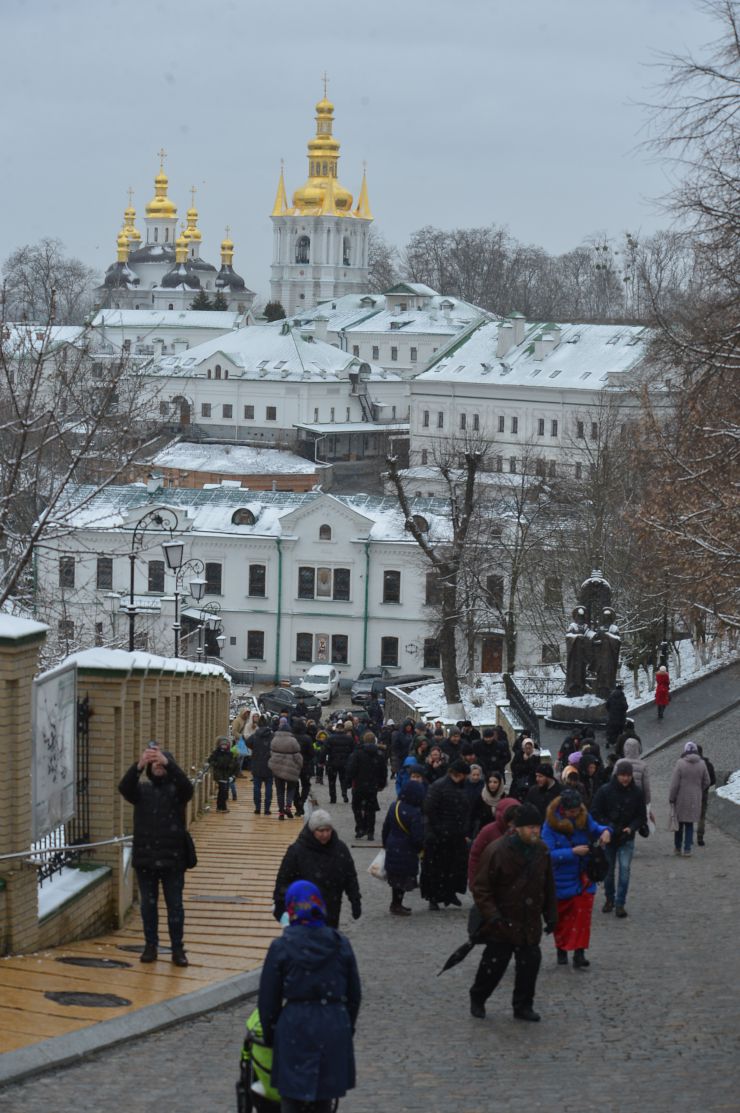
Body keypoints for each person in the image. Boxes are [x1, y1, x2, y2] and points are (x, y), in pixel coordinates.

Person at [259, 880, 361, 1113]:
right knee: (323, 1101)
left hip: (294, 1025)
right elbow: (354, 995)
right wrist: (346, 1027)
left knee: (291, 1099)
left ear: (291, 908)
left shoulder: (281, 946)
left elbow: (268, 1000)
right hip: (332, 1025)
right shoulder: (339, 943)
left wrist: (271, 1035)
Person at [469, 803, 557, 1022]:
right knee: (493, 966)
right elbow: (482, 888)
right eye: (530, 827)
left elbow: (548, 886)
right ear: (517, 828)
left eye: (538, 826)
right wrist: (493, 916)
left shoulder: (542, 851)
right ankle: (478, 997)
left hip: (529, 921)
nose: (535, 831)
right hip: (503, 921)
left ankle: (523, 1005)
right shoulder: (497, 850)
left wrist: (551, 915)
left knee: (529, 967)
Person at [118, 743, 194, 966]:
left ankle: (177, 949)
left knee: (175, 906)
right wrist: (139, 765)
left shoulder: (177, 792)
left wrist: (168, 762)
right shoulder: (141, 791)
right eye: (155, 764)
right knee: (148, 906)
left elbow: (187, 787)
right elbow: (124, 787)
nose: (158, 767)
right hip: (146, 860)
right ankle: (150, 945)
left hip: (173, 860)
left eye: (161, 764)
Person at [541, 789, 611, 968]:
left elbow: (597, 829)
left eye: (577, 811)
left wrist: (606, 831)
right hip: (561, 878)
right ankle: (561, 950)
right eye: (572, 812)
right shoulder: (550, 825)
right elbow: (546, 854)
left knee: (582, 916)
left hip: (584, 876)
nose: (575, 814)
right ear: (563, 809)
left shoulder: (584, 818)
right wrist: (572, 852)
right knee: (562, 917)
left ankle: (579, 952)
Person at [273, 809, 361, 928]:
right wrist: (280, 905)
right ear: (313, 830)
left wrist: (355, 899)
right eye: (321, 831)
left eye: (328, 830)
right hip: (303, 908)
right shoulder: (297, 851)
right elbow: (283, 879)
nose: (325, 834)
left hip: (332, 907)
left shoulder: (340, 849)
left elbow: (350, 875)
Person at [591, 760, 647, 918]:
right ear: (617, 775)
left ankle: (620, 903)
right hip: (609, 837)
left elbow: (640, 816)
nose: (625, 779)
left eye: (628, 775)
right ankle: (610, 898)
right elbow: (595, 812)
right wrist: (607, 827)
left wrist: (632, 827)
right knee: (608, 872)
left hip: (626, 837)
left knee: (624, 871)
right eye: (623, 775)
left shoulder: (636, 793)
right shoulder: (605, 791)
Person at [420, 758, 471, 911]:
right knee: (435, 868)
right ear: (459, 774)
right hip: (438, 835)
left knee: (454, 867)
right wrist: (439, 829)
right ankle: (433, 898)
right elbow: (429, 809)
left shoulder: (460, 786)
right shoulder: (439, 786)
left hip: (455, 834)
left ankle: (450, 893)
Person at [382, 780, 426, 915]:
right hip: (407, 850)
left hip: (393, 846)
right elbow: (417, 836)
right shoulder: (415, 813)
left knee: (395, 878)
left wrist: (386, 843)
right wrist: (420, 848)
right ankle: (396, 905)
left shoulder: (394, 806)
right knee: (402, 879)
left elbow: (386, 827)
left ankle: (396, 903)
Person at [467, 796, 520, 889]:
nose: (512, 825)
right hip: (489, 879)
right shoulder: (488, 831)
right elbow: (475, 855)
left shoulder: (520, 832)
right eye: (510, 820)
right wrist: (474, 881)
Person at [669, 741, 710, 857]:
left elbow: (674, 784)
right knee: (689, 824)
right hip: (695, 798)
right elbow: (707, 781)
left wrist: (672, 797)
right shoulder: (702, 764)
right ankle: (687, 848)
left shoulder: (680, 763)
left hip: (681, 798)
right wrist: (698, 789)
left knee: (679, 824)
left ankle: (677, 847)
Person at [346, 730, 387, 839]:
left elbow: (351, 769)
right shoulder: (379, 754)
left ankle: (360, 828)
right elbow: (383, 771)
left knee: (357, 807)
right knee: (371, 808)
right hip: (372, 786)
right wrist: (381, 784)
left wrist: (349, 781)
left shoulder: (357, 753)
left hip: (358, 784)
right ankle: (370, 831)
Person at [268, 719, 303, 821]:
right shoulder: (293, 740)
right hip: (290, 769)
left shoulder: (274, 739)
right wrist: (300, 765)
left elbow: (271, 753)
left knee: (280, 791)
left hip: (277, 769)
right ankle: (288, 806)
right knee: (291, 789)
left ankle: (281, 812)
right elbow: (297, 755)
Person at [248, 716, 274, 815]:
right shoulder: (272, 735)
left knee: (257, 787)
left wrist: (254, 748)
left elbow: (248, 742)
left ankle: (257, 808)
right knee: (269, 788)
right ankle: (267, 809)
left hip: (257, 764)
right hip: (269, 765)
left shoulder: (255, 735)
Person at [324, 719, 355, 804]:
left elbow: (325, 750)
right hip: (344, 763)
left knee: (332, 781)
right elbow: (353, 751)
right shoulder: (349, 739)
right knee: (343, 779)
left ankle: (333, 798)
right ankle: (344, 794)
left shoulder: (330, 738)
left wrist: (322, 761)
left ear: (336, 728)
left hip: (332, 762)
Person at [208, 736, 239, 813]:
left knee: (224, 791)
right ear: (219, 745)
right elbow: (210, 761)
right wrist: (217, 764)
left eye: (225, 745)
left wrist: (233, 774)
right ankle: (221, 807)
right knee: (223, 790)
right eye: (222, 745)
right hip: (219, 774)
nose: (224, 746)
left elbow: (235, 764)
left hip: (227, 774)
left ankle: (221, 807)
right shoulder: (216, 753)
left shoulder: (230, 754)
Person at [696, 745, 716, 846]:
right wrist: (705, 787)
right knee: (701, 816)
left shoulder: (690, 764)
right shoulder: (708, 765)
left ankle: (688, 837)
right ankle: (700, 837)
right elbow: (713, 780)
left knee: (689, 815)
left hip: (692, 793)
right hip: (704, 793)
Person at [622, 737, 651, 807]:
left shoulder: (619, 763)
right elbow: (646, 786)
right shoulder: (643, 765)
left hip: (622, 798)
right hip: (637, 799)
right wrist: (647, 802)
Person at [605, 681, 628, 749]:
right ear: (621, 689)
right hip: (620, 718)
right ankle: (618, 743)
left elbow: (607, 705)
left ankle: (609, 742)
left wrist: (611, 711)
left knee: (611, 730)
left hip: (612, 717)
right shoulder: (622, 697)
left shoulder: (611, 696)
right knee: (619, 731)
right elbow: (625, 707)